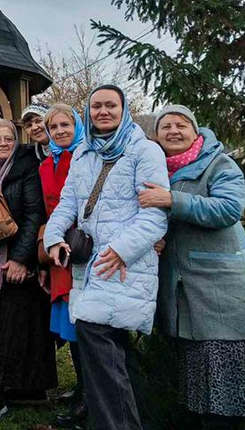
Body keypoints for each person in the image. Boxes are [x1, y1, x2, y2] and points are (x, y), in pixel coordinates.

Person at [44, 85, 169, 430]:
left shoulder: (144, 151)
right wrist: (54, 238)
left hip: (124, 265)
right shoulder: (85, 152)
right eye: (96, 106)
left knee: (98, 341)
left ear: (123, 108)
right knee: (114, 355)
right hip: (89, 265)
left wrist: (121, 250)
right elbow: (67, 202)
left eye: (110, 105)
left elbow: (155, 214)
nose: (103, 111)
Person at [143, 105, 245, 430]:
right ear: (157, 134)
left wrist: (172, 201)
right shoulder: (158, 170)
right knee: (195, 376)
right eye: (166, 126)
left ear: (196, 131)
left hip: (218, 284)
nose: (173, 131)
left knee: (223, 376)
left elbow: (228, 208)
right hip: (181, 286)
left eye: (181, 125)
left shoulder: (219, 164)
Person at [0, 120, 55, 421]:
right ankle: (15, 387)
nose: (2, 143)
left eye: (8, 138)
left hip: (13, 260)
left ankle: (1, 392)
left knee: (14, 328)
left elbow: (34, 213)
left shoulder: (25, 169)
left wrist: (22, 259)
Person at [38, 103, 86, 428]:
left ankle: (89, 396)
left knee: (84, 325)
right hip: (58, 252)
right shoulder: (46, 164)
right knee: (69, 327)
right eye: (53, 127)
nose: (59, 132)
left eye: (65, 125)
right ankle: (82, 386)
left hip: (82, 249)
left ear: (76, 126)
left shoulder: (84, 158)